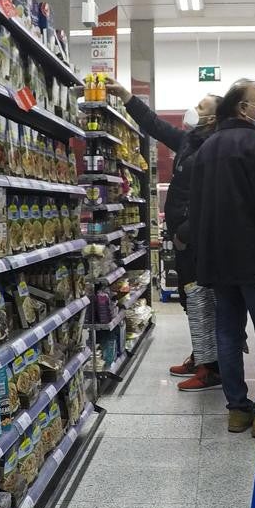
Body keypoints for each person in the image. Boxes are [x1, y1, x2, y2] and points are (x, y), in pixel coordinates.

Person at [105, 78, 222, 392]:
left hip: (196, 238)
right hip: (184, 238)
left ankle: (211, 368)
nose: (193, 110)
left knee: (201, 301)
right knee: (190, 298)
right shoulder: (189, 141)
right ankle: (202, 355)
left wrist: (184, 232)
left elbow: (208, 198)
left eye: (201, 107)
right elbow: (153, 125)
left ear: (213, 118)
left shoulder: (213, 149)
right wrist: (127, 97)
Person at [188, 79, 255, 436]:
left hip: (216, 259)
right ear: (243, 108)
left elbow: (194, 209)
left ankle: (237, 410)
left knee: (227, 332)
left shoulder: (206, 148)